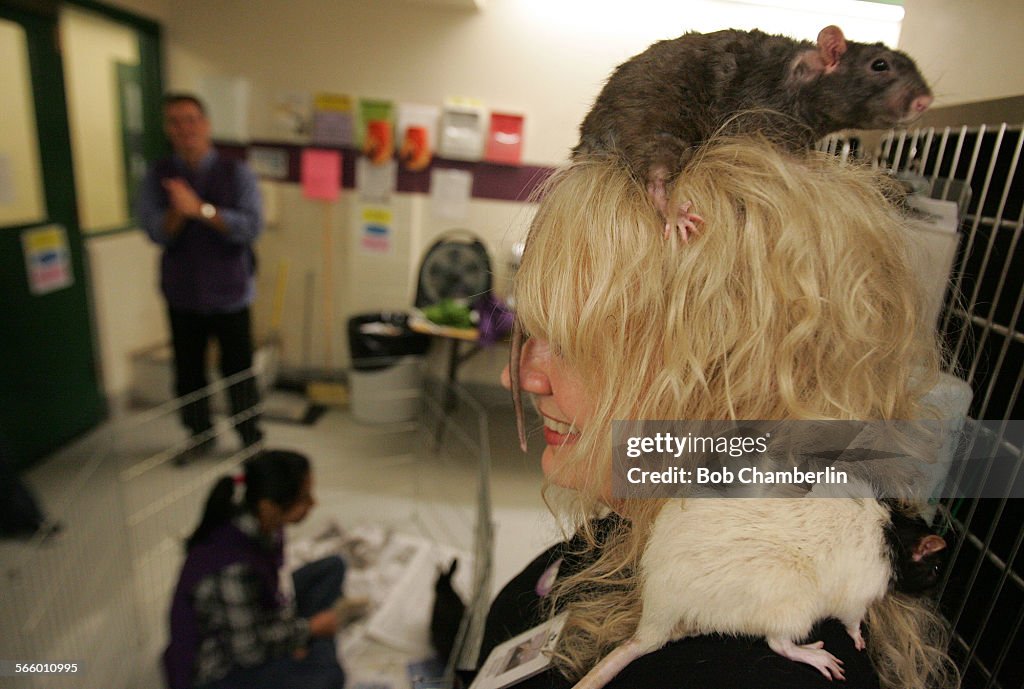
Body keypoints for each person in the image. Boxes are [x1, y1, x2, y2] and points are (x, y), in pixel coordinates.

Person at [485, 137, 958, 689]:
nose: (519, 376)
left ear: (734, 380)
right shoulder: (633, 531)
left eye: (576, 343)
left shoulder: (752, 665)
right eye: (535, 331)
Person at [136, 93, 264, 462]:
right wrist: (178, 212)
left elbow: (250, 228)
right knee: (188, 373)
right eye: (175, 121)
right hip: (183, 294)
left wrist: (201, 210)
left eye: (191, 119)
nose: (184, 128)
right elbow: (156, 232)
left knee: (238, 370)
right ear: (168, 130)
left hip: (231, 293)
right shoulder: (158, 176)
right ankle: (199, 434)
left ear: (206, 125)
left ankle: (250, 437)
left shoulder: (235, 172)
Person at [164, 450, 347, 689]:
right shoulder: (232, 566)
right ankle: (316, 643)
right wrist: (308, 630)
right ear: (269, 506)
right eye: (304, 498)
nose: (314, 504)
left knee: (334, 566)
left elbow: (275, 588)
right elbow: (248, 652)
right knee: (328, 678)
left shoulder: (263, 523)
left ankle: (313, 643)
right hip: (220, 670)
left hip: (259, 615)